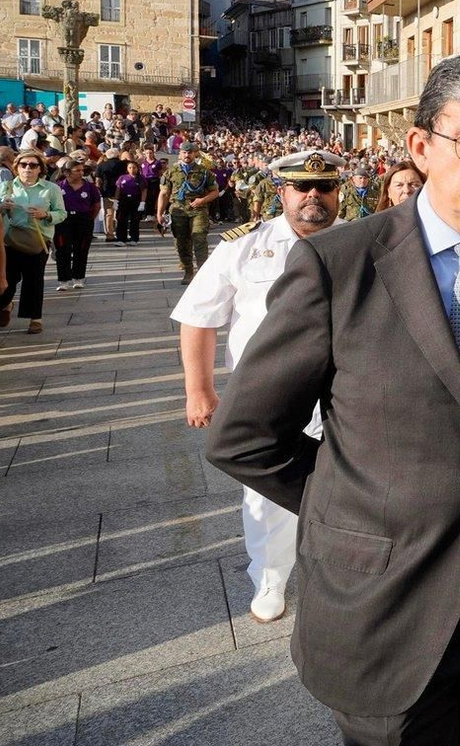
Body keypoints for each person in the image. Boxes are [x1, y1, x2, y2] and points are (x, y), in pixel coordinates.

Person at [204, 55, 460, 743]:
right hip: (386, 605)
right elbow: (246, 437)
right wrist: (351, 502)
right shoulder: (338, 264)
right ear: (420, 146)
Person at [173, 150, 344, 623]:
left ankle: (342, 572)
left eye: (325, 187)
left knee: (352, 483)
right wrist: (199, 389)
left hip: (347, 392)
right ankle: (271, 574)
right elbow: (198, 318)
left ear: (338, 192)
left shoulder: (365, 242)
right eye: (302, 187)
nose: (314, 196)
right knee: (267, 491)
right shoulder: (242, 246)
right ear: (281, 192)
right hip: (270, 393)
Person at [0, 153, 66, 335]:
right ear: (16, 167)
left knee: (34, 281)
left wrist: (46, 214)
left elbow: (61, 213)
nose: (28, 168)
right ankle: (6, 304)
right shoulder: (5, 186)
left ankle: (35, 319)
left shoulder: (51, 189)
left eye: (33, 165)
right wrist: (2, 208)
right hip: (9, 240)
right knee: (6, 278)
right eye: (24, 165)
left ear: (40, 169)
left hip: (38, 240)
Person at [158, 140, 220, 285]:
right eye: (184, 152)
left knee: (199, 239)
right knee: (181, 242)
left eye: (190, 152)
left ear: (195, 154)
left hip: (198, 209)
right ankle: (188, 271)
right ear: (180, 154)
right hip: (178, 210)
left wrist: (202, 200)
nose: (187, 155)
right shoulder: (170, 172)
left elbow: (215, 192)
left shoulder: (204, 172)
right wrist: (159, 214)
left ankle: (203, 272)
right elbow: (164, 194)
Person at [54, 161, 101, 291]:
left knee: (81, 249)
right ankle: (63, 280)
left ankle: (78, 277)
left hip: (83, 219)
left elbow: (96, 205)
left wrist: (90, 218)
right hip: (63, 220)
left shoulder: (90, 187)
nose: (81, 173)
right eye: (77, 170)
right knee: (63, 250)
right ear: (67, 172)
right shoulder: (58, 187)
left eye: (82, 170)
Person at [114, 159, 144, 246]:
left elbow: (144, 190)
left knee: (135, 220)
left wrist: (142, 202)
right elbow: (118, 189)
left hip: (135, 200)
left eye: (134, 167)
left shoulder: (140, 178)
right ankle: (121, 238)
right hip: (124, 200)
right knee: (122, 219)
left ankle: (134, 238)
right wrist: (116, 200)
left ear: (137, 168)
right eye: (130, 167)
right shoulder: (122, 177)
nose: (132, 169)